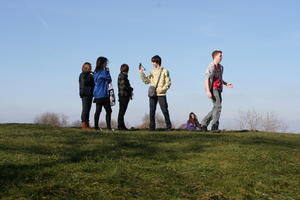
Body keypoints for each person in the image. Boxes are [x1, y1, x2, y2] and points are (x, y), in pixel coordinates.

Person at [201, 50, 233, 132]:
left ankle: (203, 124)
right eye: (220, 56)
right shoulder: (211, 66)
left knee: (216, 107)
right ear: (215, 57)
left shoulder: (221, 67)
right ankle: (214, 126)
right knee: (218, 106)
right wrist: (208, 91)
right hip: (213, 89)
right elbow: (206, 78)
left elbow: (219, 79)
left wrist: (226, 84)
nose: (222, 57)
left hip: (219, 89)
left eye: (221, 56)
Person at [139, 55, 172, 131]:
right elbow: (146, 81)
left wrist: (163, 89)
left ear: (157, 62)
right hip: (152, 93)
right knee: (152, 111)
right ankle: (152, 128)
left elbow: (168, 82)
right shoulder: (152, 71)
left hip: (161, 94)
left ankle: (168, 127)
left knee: (165, 111)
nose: (152, 63)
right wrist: (141, 73)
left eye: (153, 62)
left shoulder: (165, 71)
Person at [93, 57, 112, 131]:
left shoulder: (95, 72)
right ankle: (109, 128)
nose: (107, 64)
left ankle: (96, 127)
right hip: (103, 94)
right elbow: (109, 79)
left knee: (98, 111)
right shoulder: (103, 72)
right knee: (108, 111)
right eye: (106, 62)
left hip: (97, 94)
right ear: (103, 63)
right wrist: (107, 71)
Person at [79, 62, 95, 130]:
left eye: (91, 67)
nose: (91, 68)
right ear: (85, 67)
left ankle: (87, 124)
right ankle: (84, 124)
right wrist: (92, 76)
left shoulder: (89, 74)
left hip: (90, 94)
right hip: (85, 94)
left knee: (88, 109)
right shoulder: (83, 74)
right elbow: (85, 82)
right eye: (89, 67)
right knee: (85, 109)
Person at [117, 64, 133, 130]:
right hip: (123, 95)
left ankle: (122, 126)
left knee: (122, 112)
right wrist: (130, 88)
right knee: (121, 112)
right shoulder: (123, 76)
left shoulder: (123, 76)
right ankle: (120, 126)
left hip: (123, 95)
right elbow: (123, 86)